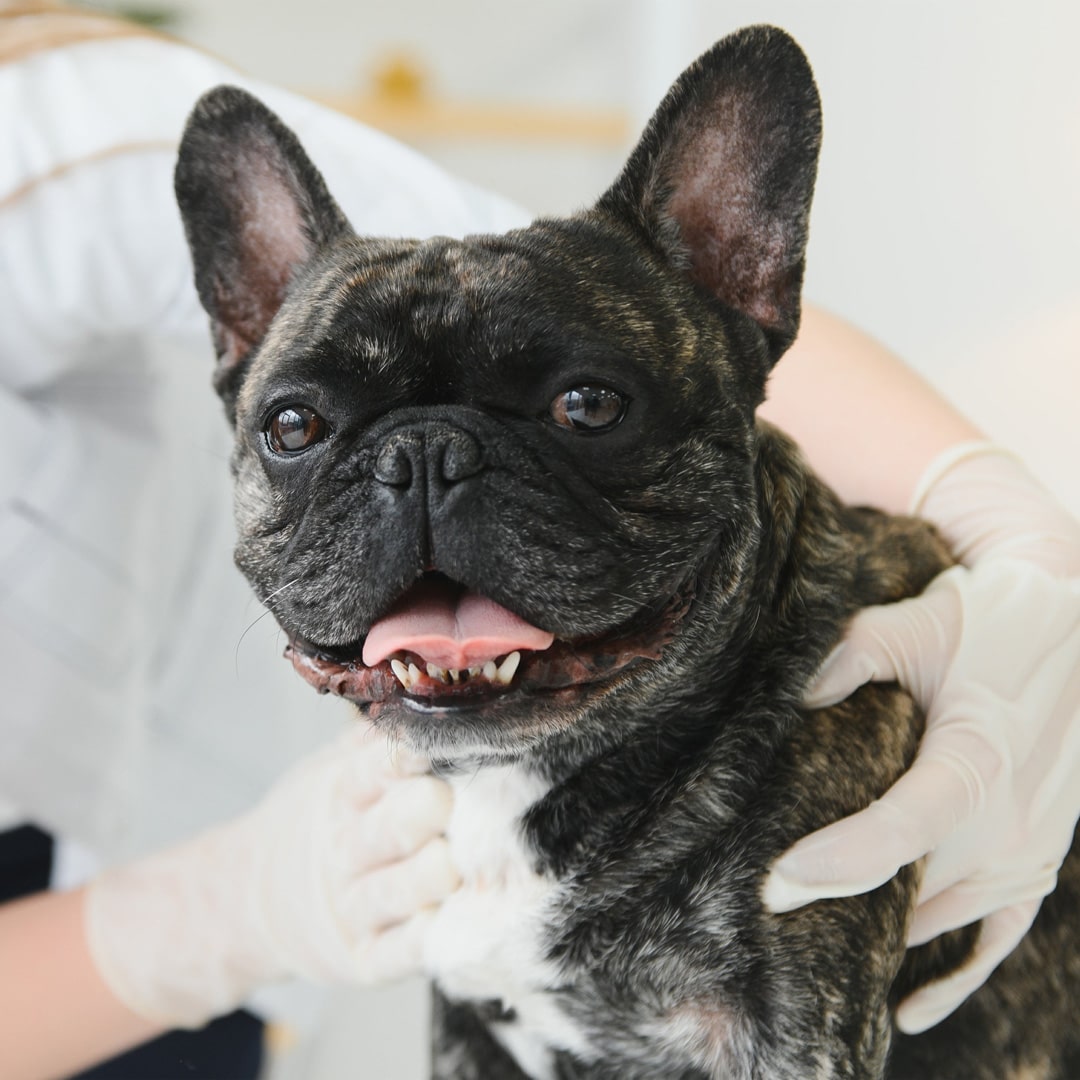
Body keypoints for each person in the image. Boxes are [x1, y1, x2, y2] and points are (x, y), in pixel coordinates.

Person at [1, 5, 1077, 1077]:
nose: (422, 484)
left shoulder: (50, 129)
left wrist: (1006, 519)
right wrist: (198, 920)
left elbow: (599, 292)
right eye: (300, 427)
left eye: (584, 409)